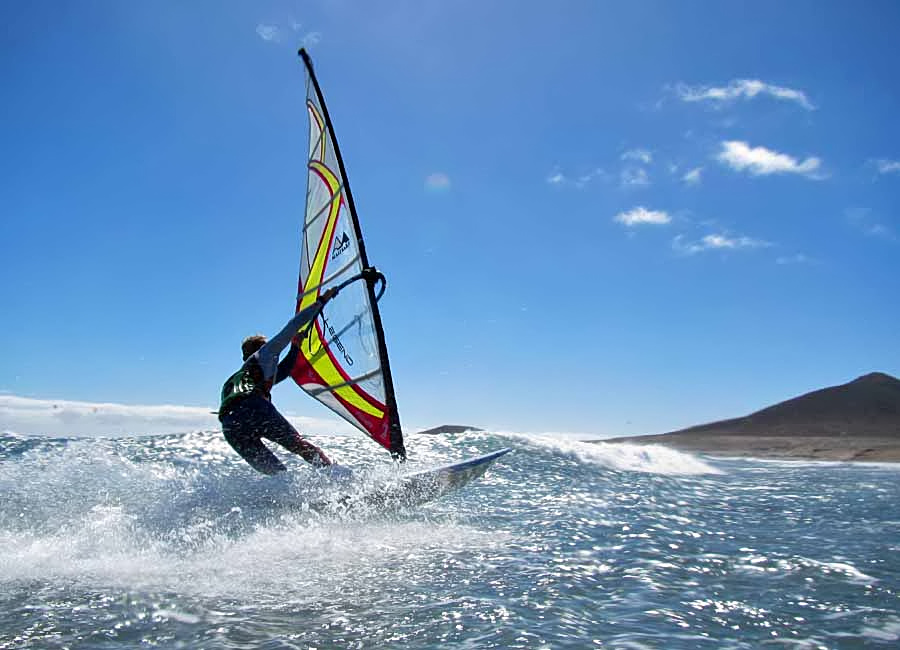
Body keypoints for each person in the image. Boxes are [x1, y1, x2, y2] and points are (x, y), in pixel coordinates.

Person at [218, 287, 348, 476]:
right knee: (298, 445)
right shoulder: (265, 353)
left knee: (277, 474)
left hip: (231, 426)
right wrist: (322, 300)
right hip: (254, 408)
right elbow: (292, 326)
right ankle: (336, 477)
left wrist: (295, 346)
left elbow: (284, 371)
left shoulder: (243, 377)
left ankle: (284, 501)